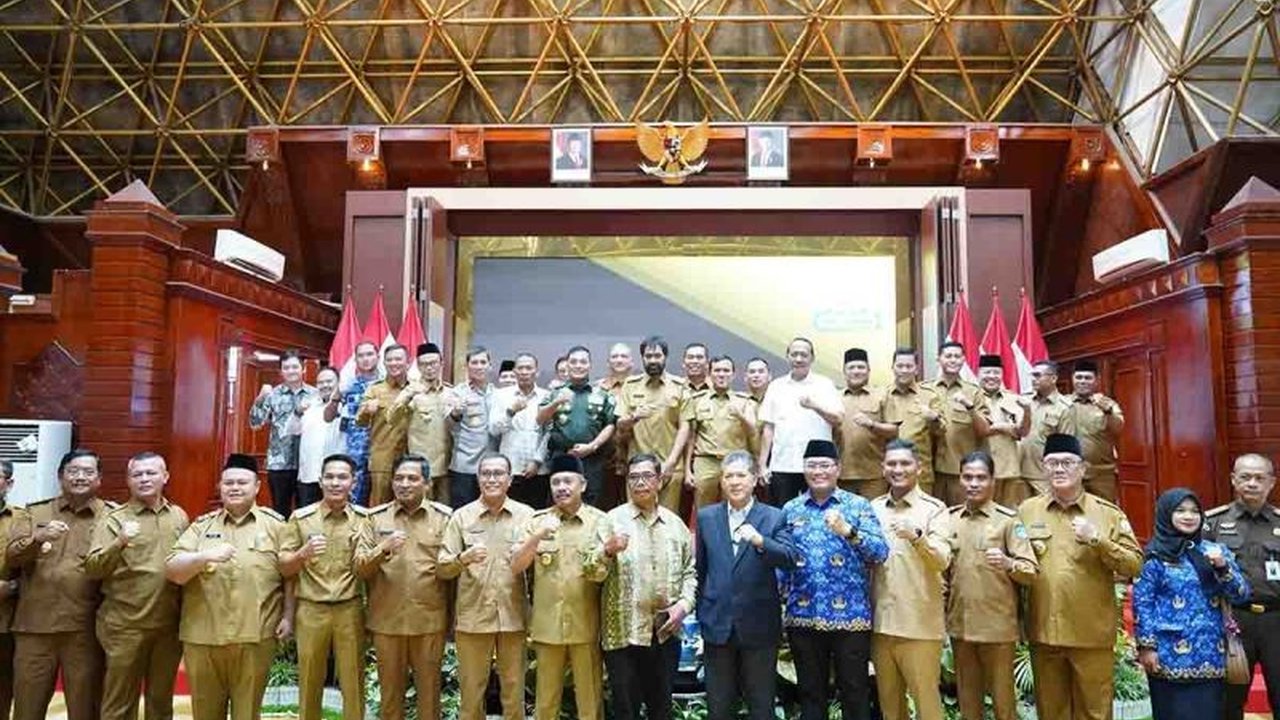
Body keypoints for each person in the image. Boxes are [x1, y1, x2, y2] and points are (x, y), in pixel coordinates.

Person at [1017, 433, 1142, 720]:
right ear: (1043, 468)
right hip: (1044, 633)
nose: (1059, 469)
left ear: (1083, 469)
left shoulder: (1106, 514)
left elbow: (1135, 565)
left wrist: (1098, 540)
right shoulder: (1027, 512)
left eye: (1067, 463)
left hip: (1091, 635)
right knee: (1051, 713)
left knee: (1095, 712)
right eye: (1052, 463)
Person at [165, 453, 294, 720]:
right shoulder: (201, 527)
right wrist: (204, 557)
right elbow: (173, 571)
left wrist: (288, 616)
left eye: (242, 482)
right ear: (220, 487)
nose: (234, 488)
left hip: (255, 636)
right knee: (205, 713)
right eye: (228, 483)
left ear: (257, 487)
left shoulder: (276, 526)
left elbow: (290, 575)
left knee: (247, 713)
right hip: (203, 637)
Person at [780, 439, 889, 720]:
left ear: (838, 469)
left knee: (854, 692)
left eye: (825, 465)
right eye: (812, 465)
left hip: (850, 618)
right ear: (804, 470)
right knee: (810, 694)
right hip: (803, 617)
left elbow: (880, 552)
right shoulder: (790, 509)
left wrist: (849, 531)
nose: (818, 471)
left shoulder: (858, 506)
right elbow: (781, 564)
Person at [7, 448, 112, 720]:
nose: (80, 477)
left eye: (88, 472)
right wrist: (37, 538)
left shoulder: (111, 516)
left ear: (99, 479)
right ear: (60, 476)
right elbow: (13, 556)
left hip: (85, 629)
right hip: (34, 627)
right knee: (27, 708)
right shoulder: (34, 512)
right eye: (73, 471)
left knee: (85, 708)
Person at [84, 451, 190, 720]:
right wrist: (118, 542)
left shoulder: (178, 516)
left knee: (161, 702)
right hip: (124, 626)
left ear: (165, 477)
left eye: (151, 473)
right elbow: (93, 568)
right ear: (128, 480)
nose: (144, 479)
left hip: (168, 626)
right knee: (119, 704)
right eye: (137, 474)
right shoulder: (114, 519)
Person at [593, 453, 696, 720]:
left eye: (647, 476)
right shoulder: (610, 521)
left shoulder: (676, 525)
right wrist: (607, 550)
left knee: (661, 709)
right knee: (625, 710)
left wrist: (683, 606)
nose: (640, 483)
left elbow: (690, 573)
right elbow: (590, 573)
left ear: (659, 481)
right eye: (634, 477)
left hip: (664, 631)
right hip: (622, 633)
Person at [695, 451, 796, 720]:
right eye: (728, 476)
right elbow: (701, 572)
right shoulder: (706, 517)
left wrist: (761, 541)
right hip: (717, 625)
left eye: (741, 475)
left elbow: (789, 558)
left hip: (759, 627)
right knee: (719, 709)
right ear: (721, 481)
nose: (734, 482)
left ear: (753, 480)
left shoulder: (774, 516)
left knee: (761, 707)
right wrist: (703, 615)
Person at [1135, 488, 1250, 720]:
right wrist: (1147, 647)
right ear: (1167, 514)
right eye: (1180, 511)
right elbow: (1143, 603)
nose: (1188, 516)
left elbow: (1241, 594)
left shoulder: (1215, 551)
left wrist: (1222, 568)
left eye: (1195, 511)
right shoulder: (1156, 555)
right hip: (1168, 655)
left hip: (1210, 654)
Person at [354, 453, 453, 720]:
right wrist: (382, 549)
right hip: (387, 621)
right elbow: (360, 568)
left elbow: (453, 572)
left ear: (427, 484)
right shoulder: (375, 519)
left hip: (429, 621)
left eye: (412, 478)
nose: (404, 484)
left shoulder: (444, 519)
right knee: (390, 697)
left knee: (429, 697)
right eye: (399, 478)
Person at [437, 453, 534, 720]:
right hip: (473, 617)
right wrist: (463, 558)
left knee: (514, 694)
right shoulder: (461, 517)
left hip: (513, 616)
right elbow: (442, 567)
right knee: (471, 694)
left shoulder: (527, 516)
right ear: (478, 478)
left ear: (510, 479)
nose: (492, 479)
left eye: (498, 473)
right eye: (486, 473)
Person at [510, 455, 608, 720]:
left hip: (586, 625)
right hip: (547, 627)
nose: (561, 487)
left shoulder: (600, 522)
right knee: (546, 703)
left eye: (568, 481)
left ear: (583, 485)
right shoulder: (536, 522)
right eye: (555, 482)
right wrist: (537, 536)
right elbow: (516, 565)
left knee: (590, 703)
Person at [945, 450, 1037, 720]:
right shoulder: (950, 519)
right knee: (968, 702)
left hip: (998, 628)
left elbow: (1031, 571)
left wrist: (1008, 563)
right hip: (961, 627)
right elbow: (943, 575)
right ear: (960, 479)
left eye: (981, 478)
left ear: (993, 481)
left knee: (1003, 703)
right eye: (968, 477)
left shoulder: (1008, 521)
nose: (973, 483)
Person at [279, 454, 368, 720]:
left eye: (342, 477)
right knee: (309, 680)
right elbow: (284, 568)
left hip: (350, 609)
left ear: (354, 482)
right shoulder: (301, 518)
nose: (335, 483)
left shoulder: (365, 519)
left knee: (353, 681)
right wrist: (302, 554)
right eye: (329, 477)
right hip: (311, 609)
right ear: (320, 481)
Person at [870, 439, 951, 720]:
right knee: (890, 709)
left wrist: (918, 537)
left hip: (919, 626)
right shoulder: (873, 509)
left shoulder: (934, 509)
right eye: (892, 463)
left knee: (927, 706)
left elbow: (942, 560)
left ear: (919, 468)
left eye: (905, 463)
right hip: (882, 625)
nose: (898, 469)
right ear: (883, 468)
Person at [1203, 453, 1280, 719]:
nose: (1252, 483)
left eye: (1260, 478)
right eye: (1245, 477)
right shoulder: (1213, 523)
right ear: (1233, 480)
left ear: (1272, 482)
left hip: (1276, 620)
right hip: (1232, 620)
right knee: (1229, 700)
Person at [759, 337, 844, 507]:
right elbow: (769, 427)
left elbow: (838, 419)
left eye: (804, 355)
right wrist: (762, 465)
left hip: (817, 466)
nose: (798, 359)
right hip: (783, 464)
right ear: (787, 356)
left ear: (812, 358)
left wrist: (815, 406)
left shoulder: (825, 384)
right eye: (794, 354)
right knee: (782, 514)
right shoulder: (776, 386)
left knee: (819, 511)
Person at [616, 336, 689, 513]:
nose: (653, 360)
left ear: (665, 357)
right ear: (642, 358)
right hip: (637, 466)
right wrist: (634, 417)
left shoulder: (679, 386)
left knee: (667, 517)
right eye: (648, 356)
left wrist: (671, 462)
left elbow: (685, 427)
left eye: (657, 356)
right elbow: (620, 425)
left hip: (670, 465)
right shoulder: (630, 385)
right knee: (636, 516)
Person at [537, 346, 616, 506]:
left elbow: (610, 424)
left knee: (591, 502)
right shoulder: (555, 393)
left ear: (590, 365)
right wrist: (557, 402)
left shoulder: (602, 394)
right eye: (573, 362)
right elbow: (540, 419)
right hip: (562, 456)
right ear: (567, 365)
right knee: (559, 502)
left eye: (583, 362)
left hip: (592, 458)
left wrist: (592, 446)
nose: (578, 365)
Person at [682, 356, 759, 508]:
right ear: (709, 374)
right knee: (703, 509)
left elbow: (753, 432)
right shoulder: (697, 400)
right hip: (705, 461)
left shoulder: (744, 401)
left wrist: (740, 416)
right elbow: (690, 437)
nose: (721, 374)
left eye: (726, 371)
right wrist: (687, 471)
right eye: (717, 371)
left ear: (733, 375)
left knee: (736, 506)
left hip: (735, 462)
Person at [248, 349, 318, 515]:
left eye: (295, 367)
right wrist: (260, 398)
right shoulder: (272, 394)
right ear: (281, 371)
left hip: (307, 462)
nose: (291, 371)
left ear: (303, 369)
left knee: (306, 511)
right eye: (286, 368)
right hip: (279, 463)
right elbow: (255, 423)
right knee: (280, 511)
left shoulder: (314, 394)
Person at [490, 352, 550, 508]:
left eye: (529, 368)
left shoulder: (546, 396)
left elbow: (549, 432)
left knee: (537, 513)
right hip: (510, 467)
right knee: (508, 512)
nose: (524, 372)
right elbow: (494, 430)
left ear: (537, 372)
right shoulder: (501, 395)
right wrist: (511, 411)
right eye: (520, 368)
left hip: (539, 469)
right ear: (514, 371)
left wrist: (537, 461)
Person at [395, 342, 453, 505]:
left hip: (447, 466)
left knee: (445, 511)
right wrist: (406, 399)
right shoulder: (410, 392)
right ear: (418, 366)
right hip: (420, 467)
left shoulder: (450, 392)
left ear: (441, 364)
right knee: (420, 510)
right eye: (424, 364)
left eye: (433, 363)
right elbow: (391, 419)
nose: (429, 368)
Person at [924, 341, 982, 505]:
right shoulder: (924, 390)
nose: (953, 360)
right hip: (927, 471)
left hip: (958, 470)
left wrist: (969, 407)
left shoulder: (973, 392)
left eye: (957, 356)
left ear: (963, 359)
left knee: (962, 514)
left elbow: (984, 429)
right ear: (939, 359)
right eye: (948, 356)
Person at [836, 347, 896, 498]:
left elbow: (894, 431)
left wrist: (871, 424)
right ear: (844, 371)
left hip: (874, 475)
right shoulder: (834, 397)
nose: (856, 371)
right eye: (851, 368)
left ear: (869, 371)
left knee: (873, 512)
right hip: (841, 475)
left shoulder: (882, 395)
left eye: (861, 367)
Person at [882, 347, 944, 495]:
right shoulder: (882, 396)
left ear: (916, 369)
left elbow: (941, 432)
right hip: (888, 472)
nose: (904, 370)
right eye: (900, 366)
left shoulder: (929, 396)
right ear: (892, 368)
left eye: (909, 366)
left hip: (920, 472)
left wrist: (934, 418)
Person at [1060, 359, 1124, 502]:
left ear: (1096, 380)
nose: (1082, 381)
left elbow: (1118, 428)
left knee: (1104, 510)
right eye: (1079, 377)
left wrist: (1108, 412)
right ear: (1072, 379)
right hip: (1070, 471)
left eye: (1087, 378)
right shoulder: (1062, 404)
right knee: (1070, 509)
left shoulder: (1108, 404)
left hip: (1101, 473)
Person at [972, 355, 1031, 507]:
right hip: (979, 469)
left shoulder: (1013, 399)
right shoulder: (971, 398)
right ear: (978, 373)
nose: (992, 376)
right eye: (987, 372)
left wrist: (1027, 411)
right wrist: (1003, 427)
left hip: (1008, 469)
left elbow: (1022, 432)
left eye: (996, 373)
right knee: (981, 511)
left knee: (1008, 513)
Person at [358, 344, 413, 505]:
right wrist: (367, 411)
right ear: (384, 363)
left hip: (412, 457)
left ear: (408, 362)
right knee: (379, 506)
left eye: (398, 359)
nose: (394, 363)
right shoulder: (374, 389)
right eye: (389, 360)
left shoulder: (416, 389)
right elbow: (360, 422)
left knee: (411, 505)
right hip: (382, 459)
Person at [446, 346, 496, 508]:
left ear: (490, 366)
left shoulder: (497, 393)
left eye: (483, 362)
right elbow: (448, 425)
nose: (479, 366)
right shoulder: (457, 393)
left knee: (490, 511)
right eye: (474, 362)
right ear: (466, 367)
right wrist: (455, 413)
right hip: (465, 466)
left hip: (491, 466)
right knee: (462, 512)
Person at [334, 340, 381, 504]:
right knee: (355, 502)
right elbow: (334, 418)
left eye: (370, 354)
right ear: (355, 359)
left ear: (378, 356)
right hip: (356, 453)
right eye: (361, 355)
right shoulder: (348, 387)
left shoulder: (388, 385)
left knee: (381, 501)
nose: (366, 359)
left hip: (382, 450)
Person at [1017, 359, 1071, 499]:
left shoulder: (1064, 407)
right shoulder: (1024, 401)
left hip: (1044, 475)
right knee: (1020, 511)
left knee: (1047, 510)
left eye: (1038, 375)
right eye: (1032, 375)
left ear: (1053, 378)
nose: (1033, 379)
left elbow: (1066, 447)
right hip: (1018, 472)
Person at [298, 366, 346, 507]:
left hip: (336, 475)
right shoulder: (309, 405)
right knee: (308, 515)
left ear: (338, 383)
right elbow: (292, 431)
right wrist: (297, 412)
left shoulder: (347, 405)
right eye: (320, 382)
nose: (325, 385)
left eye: (329, 381)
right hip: (309, 474)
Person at [0, 459, 18, 720]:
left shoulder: (22, 520)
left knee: (2, 693)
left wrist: (12, 587)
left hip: (4, 623)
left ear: (9, 483)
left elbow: (35, 572)